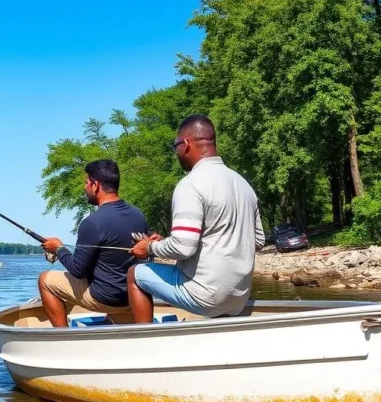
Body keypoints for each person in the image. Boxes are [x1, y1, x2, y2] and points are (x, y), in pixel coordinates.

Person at [127, 115, 265, 322]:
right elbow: (258, 241)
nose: (176, 152)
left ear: (186, 144)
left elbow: (183, 248)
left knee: (134, 274)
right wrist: (166, 242)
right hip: (239, 299)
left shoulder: (190, 184)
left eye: (175, 146)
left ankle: (145, 337)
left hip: (206, 297)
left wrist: (149, 248)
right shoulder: (243, 184)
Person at [38, 159, 149, 327]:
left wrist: (59, 249)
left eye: (86, 182)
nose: (85, 187)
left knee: (45, 280)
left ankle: (63, 335)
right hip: (133, 296)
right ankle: (116, 320)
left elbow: (77, 271)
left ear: (95, 185)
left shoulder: (92, 223)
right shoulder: (138, 215)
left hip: (106, 298)